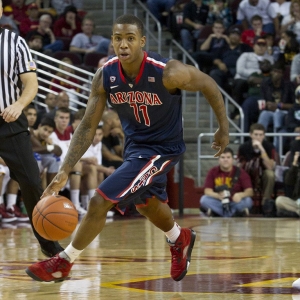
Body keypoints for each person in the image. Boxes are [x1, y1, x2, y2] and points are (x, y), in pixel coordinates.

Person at [25, 14, 229, 283]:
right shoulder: (105, 75)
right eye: (118, 38)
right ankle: (180, 238)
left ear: (142, 41)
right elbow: (87, 126)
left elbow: (209, 85)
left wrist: (223, 128)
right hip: (134, 149)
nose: (123, 44)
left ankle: (63, 261)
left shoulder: (168, 71)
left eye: (130, 38)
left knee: (100, 200)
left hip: (162, 149)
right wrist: (64, 170)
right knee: (146, 204)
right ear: (112, 41)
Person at [0, 0, 63, 257]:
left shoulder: (14, 42)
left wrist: (19, 104)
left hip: (9, 120)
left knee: (30, 181)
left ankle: (49, 246)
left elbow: (31, 84)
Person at [200, 147, 253, 217]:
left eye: (228, 157)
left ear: (233, 160)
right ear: (219, 160)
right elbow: (207, 191)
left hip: (235, 202)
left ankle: (219, 213)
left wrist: (240, 195)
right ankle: (232, 214)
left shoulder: (241, 172)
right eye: (223, 157)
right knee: (204, 199)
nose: (225, 160)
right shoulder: (212, 172)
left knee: (248, 201)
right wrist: (218, 196)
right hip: (219, 202)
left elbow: (250, 191)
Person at [237, 123, 276, 210]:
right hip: (248, 173)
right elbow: (239, 166)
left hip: (263, 173)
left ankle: (265, 203)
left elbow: (270, 167)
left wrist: (261, 149)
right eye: (256, 135)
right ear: (250, 135)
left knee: (270, 174)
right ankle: (244, 201)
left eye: (261, 135)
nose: (258, 137)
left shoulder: (269, 146)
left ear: (264, 135)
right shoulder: (244, 147)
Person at [275, 151, 300, 217]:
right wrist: (294, 164)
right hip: (297, 203)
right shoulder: (297, 169)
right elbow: (288, 182)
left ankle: (295, 213)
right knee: (279, 200)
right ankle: (296, 213)